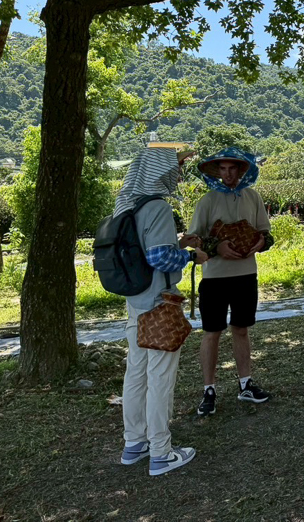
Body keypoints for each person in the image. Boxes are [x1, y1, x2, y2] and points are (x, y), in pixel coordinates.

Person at [119, 146, 208, 476]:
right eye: (176, 166)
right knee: (160, 378)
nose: (179, 172)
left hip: (136, 301)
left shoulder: (127, 204)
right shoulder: (157, 206)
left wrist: (179, 243)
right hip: (159, 303)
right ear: (160, 171)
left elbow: (143, 252)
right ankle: (161, 452)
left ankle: (134, 444)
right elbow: (158, 258)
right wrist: (191, 256)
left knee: (136, 374)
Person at [189, 147, 274, 417]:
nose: (227, 174)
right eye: (223, 169)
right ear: (217, 171)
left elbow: (266, 233)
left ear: (241, 170)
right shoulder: (207, 201)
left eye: (232, 168)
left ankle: (245, 384)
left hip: (245, 275)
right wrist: (217, 247)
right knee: (211, 332)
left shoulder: (253, 196)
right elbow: (194, 240)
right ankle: (209, 390)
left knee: (241, 329)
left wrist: (261, 242)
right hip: (214, 277)